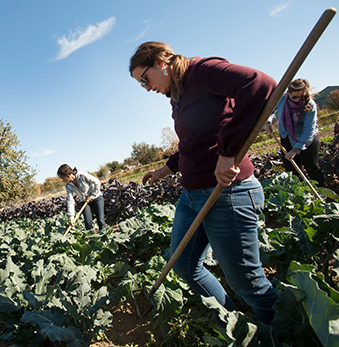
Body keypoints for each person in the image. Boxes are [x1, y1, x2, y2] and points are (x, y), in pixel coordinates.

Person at [129, 41, 278, 325]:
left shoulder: (203, 70)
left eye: (144, 79)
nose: (146, 88)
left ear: (162, 61)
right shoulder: (178, 94)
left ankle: (284, 333)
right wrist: (166, 168)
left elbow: (260, 84)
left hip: (227, 192)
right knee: (185, 265)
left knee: (248, 282)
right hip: (192, 196)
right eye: (140, 85)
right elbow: (194, 141)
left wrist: (228, 151)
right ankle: (237, 325)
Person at [265, 78, 325, 186]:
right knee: (292, 172)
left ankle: (321, 194)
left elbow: (309, 129)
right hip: (287, 137)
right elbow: (270, 110)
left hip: (307, 140)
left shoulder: (310, 104)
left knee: (312, 168)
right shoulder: (282, 99)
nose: (298, 99)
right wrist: (268, 122)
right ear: (288, 93)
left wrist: (296, 149)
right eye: (295, 96)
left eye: (301, 96)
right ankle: (300, 195)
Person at [57, 164, 106, 232]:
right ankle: (92, 240)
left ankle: (106, 237)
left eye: (62, 178)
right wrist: (71, 218)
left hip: (96, 198)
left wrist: (92, 196)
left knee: (100, 221)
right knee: (88, 224)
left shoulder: (82, 175)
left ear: (67, 175)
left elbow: (97, 182)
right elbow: (70, 201)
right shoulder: (68, 186)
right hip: (84, 201)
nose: (62, 180)